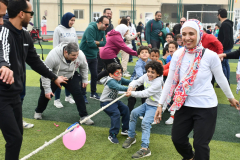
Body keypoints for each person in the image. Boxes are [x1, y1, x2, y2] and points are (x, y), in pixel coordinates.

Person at [154, 19, 239, 160]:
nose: (187, 38)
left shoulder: (210, 55)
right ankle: (190, 157)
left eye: (191, 34)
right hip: (184, 105)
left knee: (200, 145)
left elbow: (221, 78)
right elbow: (169, 81)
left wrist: (230, 97)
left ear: (199, 34)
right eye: (184, 34)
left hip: (206, 106)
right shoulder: (177, 54)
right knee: (177, 139)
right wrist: (160, 104)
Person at [0, 1, 67, 159]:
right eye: (31, 13)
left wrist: (54, 77)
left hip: (15, 95)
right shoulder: (3, 31)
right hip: (2, 96)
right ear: (22, 14)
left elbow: (35, 61)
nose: (32, 17)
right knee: (14, 138)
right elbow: (2, 51)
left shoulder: (25, 35)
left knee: (17, 137)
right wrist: (3, 66)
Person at [34, 42, 94, 125]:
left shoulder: (80, 54)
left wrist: (84, 79)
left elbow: (84, 67)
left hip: (70, 76)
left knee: (78, 93)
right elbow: (45, 73)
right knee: (46, 94)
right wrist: (47, 89)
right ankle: (38, 111)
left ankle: (84, 116)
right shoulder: (53, 56)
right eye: (73, 55)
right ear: (66, 52)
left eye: (77, 54)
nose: (76, 57)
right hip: (54, 77)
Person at [122, 61, 164, 159]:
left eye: (152, 72)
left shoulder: (158, 83)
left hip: (156, 106)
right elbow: (136, 81)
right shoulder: (146, 76)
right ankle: (131, 137)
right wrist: (131, 86)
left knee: (145, 123)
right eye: (148, 71)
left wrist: (131, 93)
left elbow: (145, 93)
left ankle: (145, 149)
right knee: (133, 113)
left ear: (158, 74)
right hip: (148, 103)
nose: (149, 74)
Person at [100, 63, 131, 144]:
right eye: (117, 73)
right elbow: (120, 87)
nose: (120, 75)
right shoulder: (111, 81)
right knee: (116, 113)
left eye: (120, 72)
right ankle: (112, 134)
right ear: (110, 74)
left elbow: (128, 81)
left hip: (114, 101)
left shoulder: (119, 78)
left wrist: (136, 83)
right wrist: (130, 89)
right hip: (106, 102)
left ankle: (125, 129)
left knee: (125, 109)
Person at [79, 16, 108, 103]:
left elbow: (104, 43)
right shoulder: (90, 28)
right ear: (99, 23)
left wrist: (96, 42)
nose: (107, 26)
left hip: (94, 55)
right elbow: (90, 44)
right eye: (105, 24)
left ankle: (93, 93)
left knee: (95, 75)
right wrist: (98, 42)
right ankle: (83, 95)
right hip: (84, 55)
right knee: (83, 75)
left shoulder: (102, 30)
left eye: (108, 24)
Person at [53, 12, 78, 108]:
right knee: (59, 78)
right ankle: (57, 100)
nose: (72, 22)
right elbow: (55, 45)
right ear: (66, 19)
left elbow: (76, 44)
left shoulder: (73, 29)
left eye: (74, 20)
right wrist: (58, 57)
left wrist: (77, 55)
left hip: (71, 58)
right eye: (71, 20)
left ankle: (68, 96)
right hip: (60, 58)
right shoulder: (58, 29)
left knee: (69, 77)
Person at [128, 46, 151, 113]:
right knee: (132, 98)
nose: (144, 53)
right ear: (139, 55)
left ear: (149, 54)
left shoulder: (150, 61)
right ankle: (128, 113)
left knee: (145, 97)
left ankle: (143, 112)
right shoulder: (139, 63)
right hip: (137, 82)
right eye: (142, 52)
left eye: (146, 52)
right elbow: (140, 75)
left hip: (145, 82)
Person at [217, 8, 234, 85]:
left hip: (225, 47)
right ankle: (226, 81)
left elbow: (226, 38)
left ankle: (225, 82)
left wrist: (222, 47)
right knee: (225, 63)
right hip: (228, 46)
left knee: (223, 63)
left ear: (219, 15)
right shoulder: (228, 23)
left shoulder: (225, 24)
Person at [97, 8, 114, 75]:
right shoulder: (99, 23)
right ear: (104, 14)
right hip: (101, 47)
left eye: (110, 13)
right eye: (107, 13)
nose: (109, 15)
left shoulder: (111, 25)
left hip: (107, 48)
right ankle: (97, 79)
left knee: (106, 64)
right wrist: (99, 46)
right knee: (99, 64)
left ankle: (104, 78)